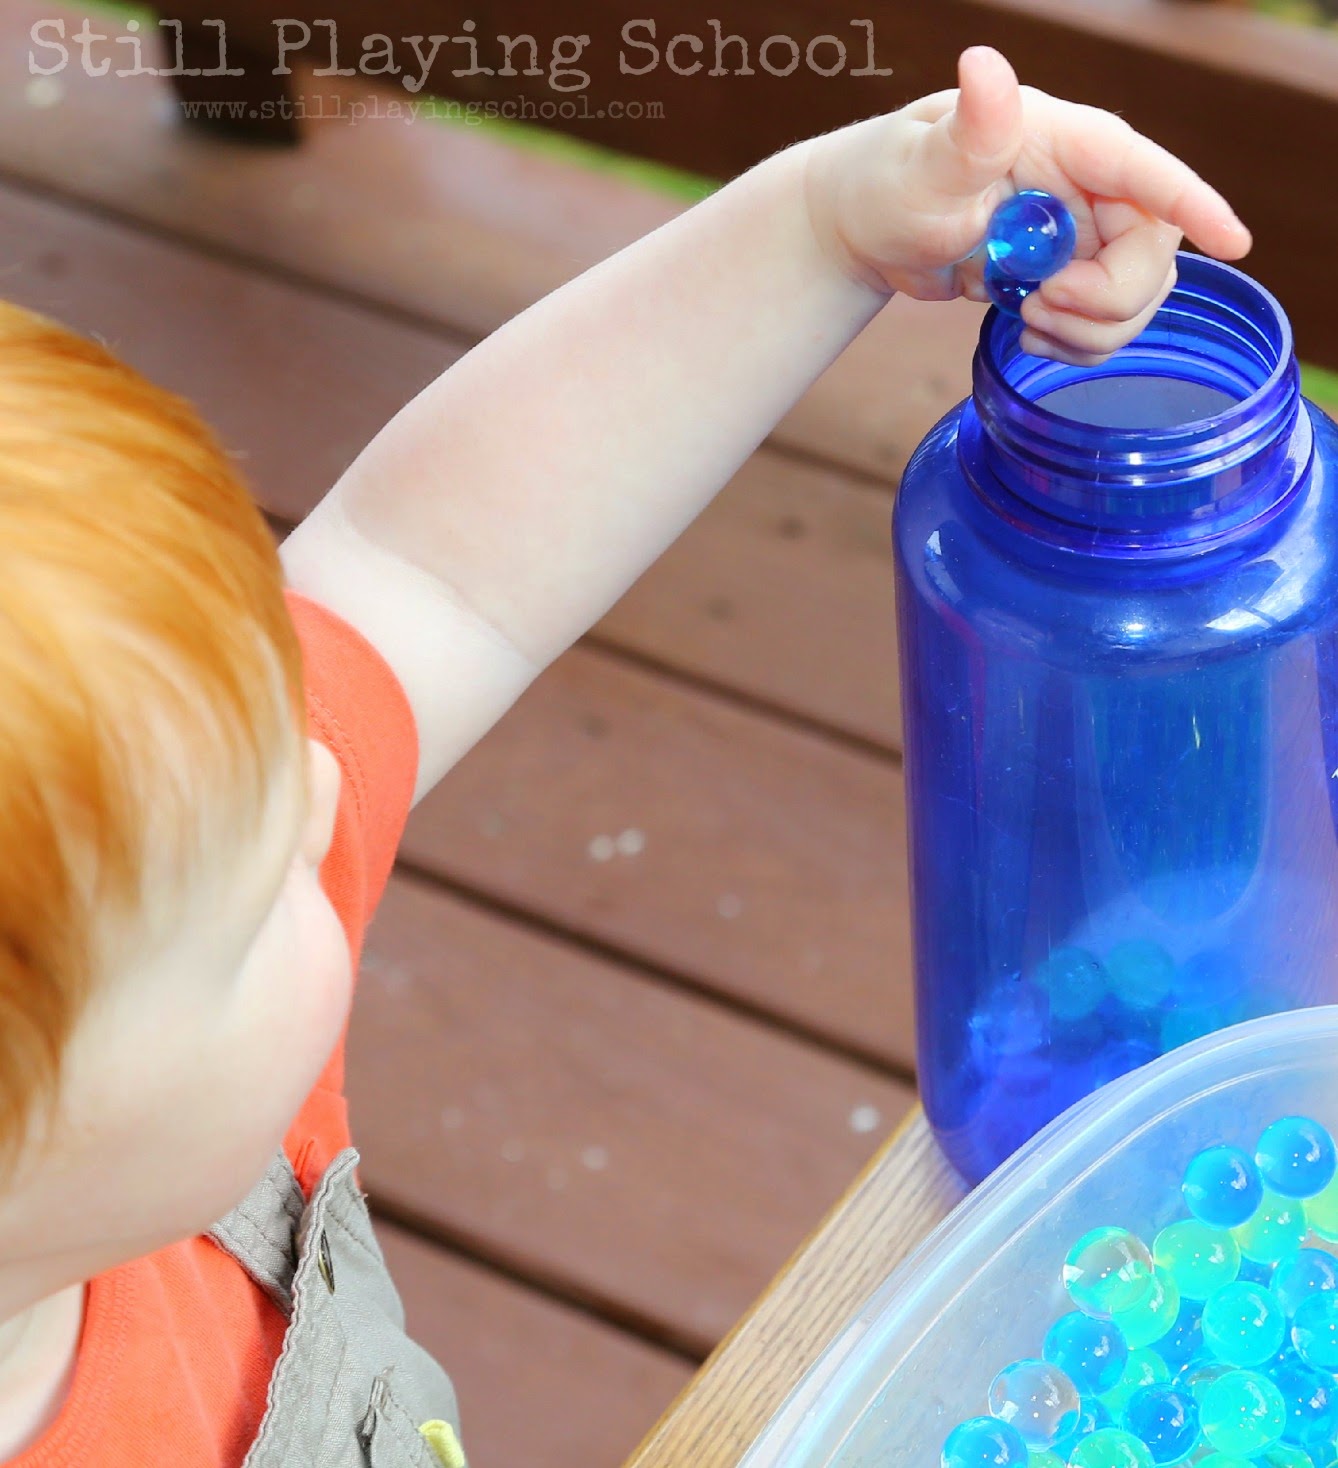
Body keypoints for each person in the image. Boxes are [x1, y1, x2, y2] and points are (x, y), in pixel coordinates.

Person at [0, 44, 1249, 1467]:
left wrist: (822, 229)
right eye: (240, 914)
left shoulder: (117, 930)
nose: (325, 791)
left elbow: (431, 566)